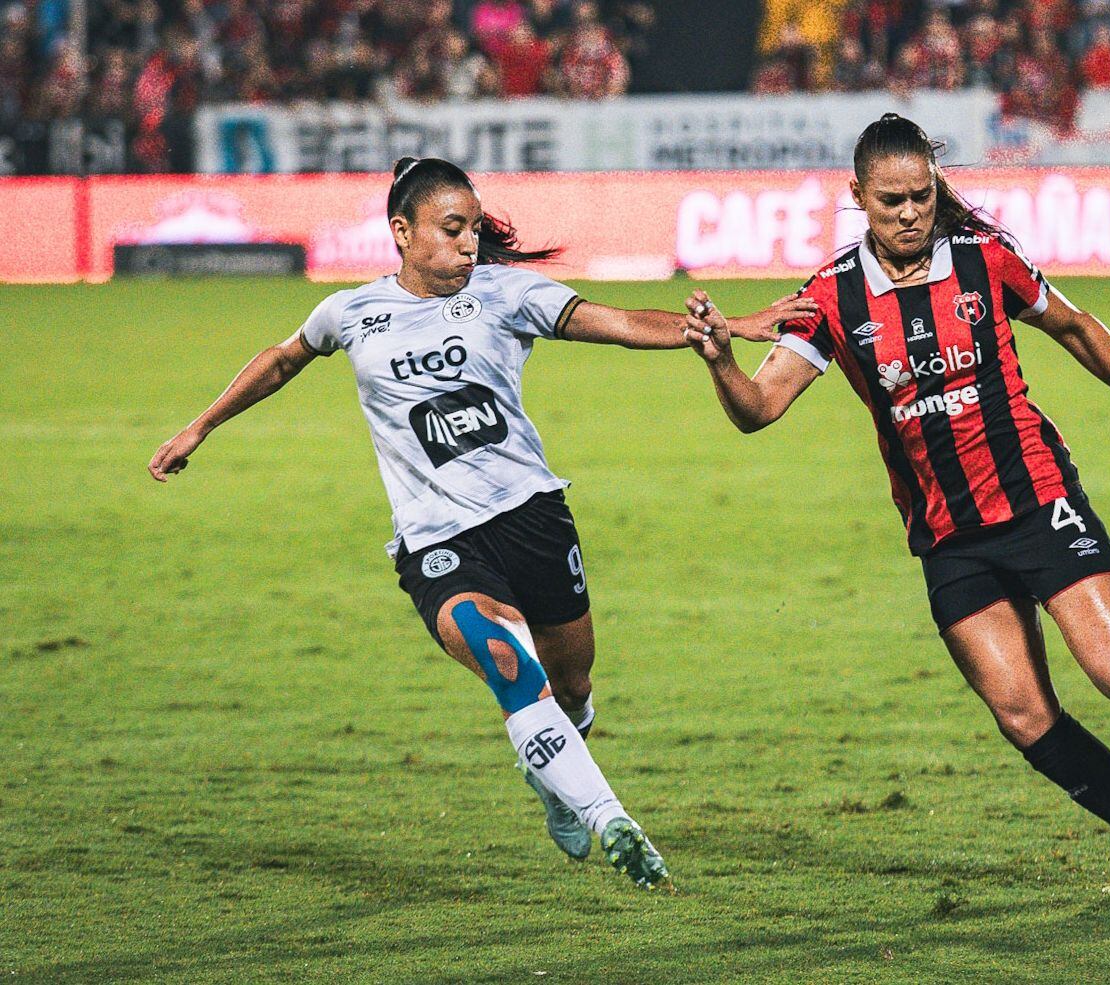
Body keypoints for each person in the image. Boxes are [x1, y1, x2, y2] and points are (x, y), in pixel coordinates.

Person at [149, 156, 814, 890]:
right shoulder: (349, 311)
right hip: (437, 540)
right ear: (401, 232)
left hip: (532, 518)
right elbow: (281, 360)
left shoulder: (506, 292)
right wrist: (198, 427)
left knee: (570, 685)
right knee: (509, 668)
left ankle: (554, 784)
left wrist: (726, 330)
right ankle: (609, 818)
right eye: (452, 228)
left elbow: (620, 322)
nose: (469, 244)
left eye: (473, 229)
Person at [681, 115, 1110, 841]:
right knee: (1024, 714)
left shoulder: (983, 259)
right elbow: (759, 408)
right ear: (857, 197)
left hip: (1036, 499)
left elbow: (1075, 325)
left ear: (935, 188)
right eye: (889, 201)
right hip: (947, 535)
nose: (908, 214)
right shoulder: (832, 296)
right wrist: (720, 360)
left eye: (920, 196)